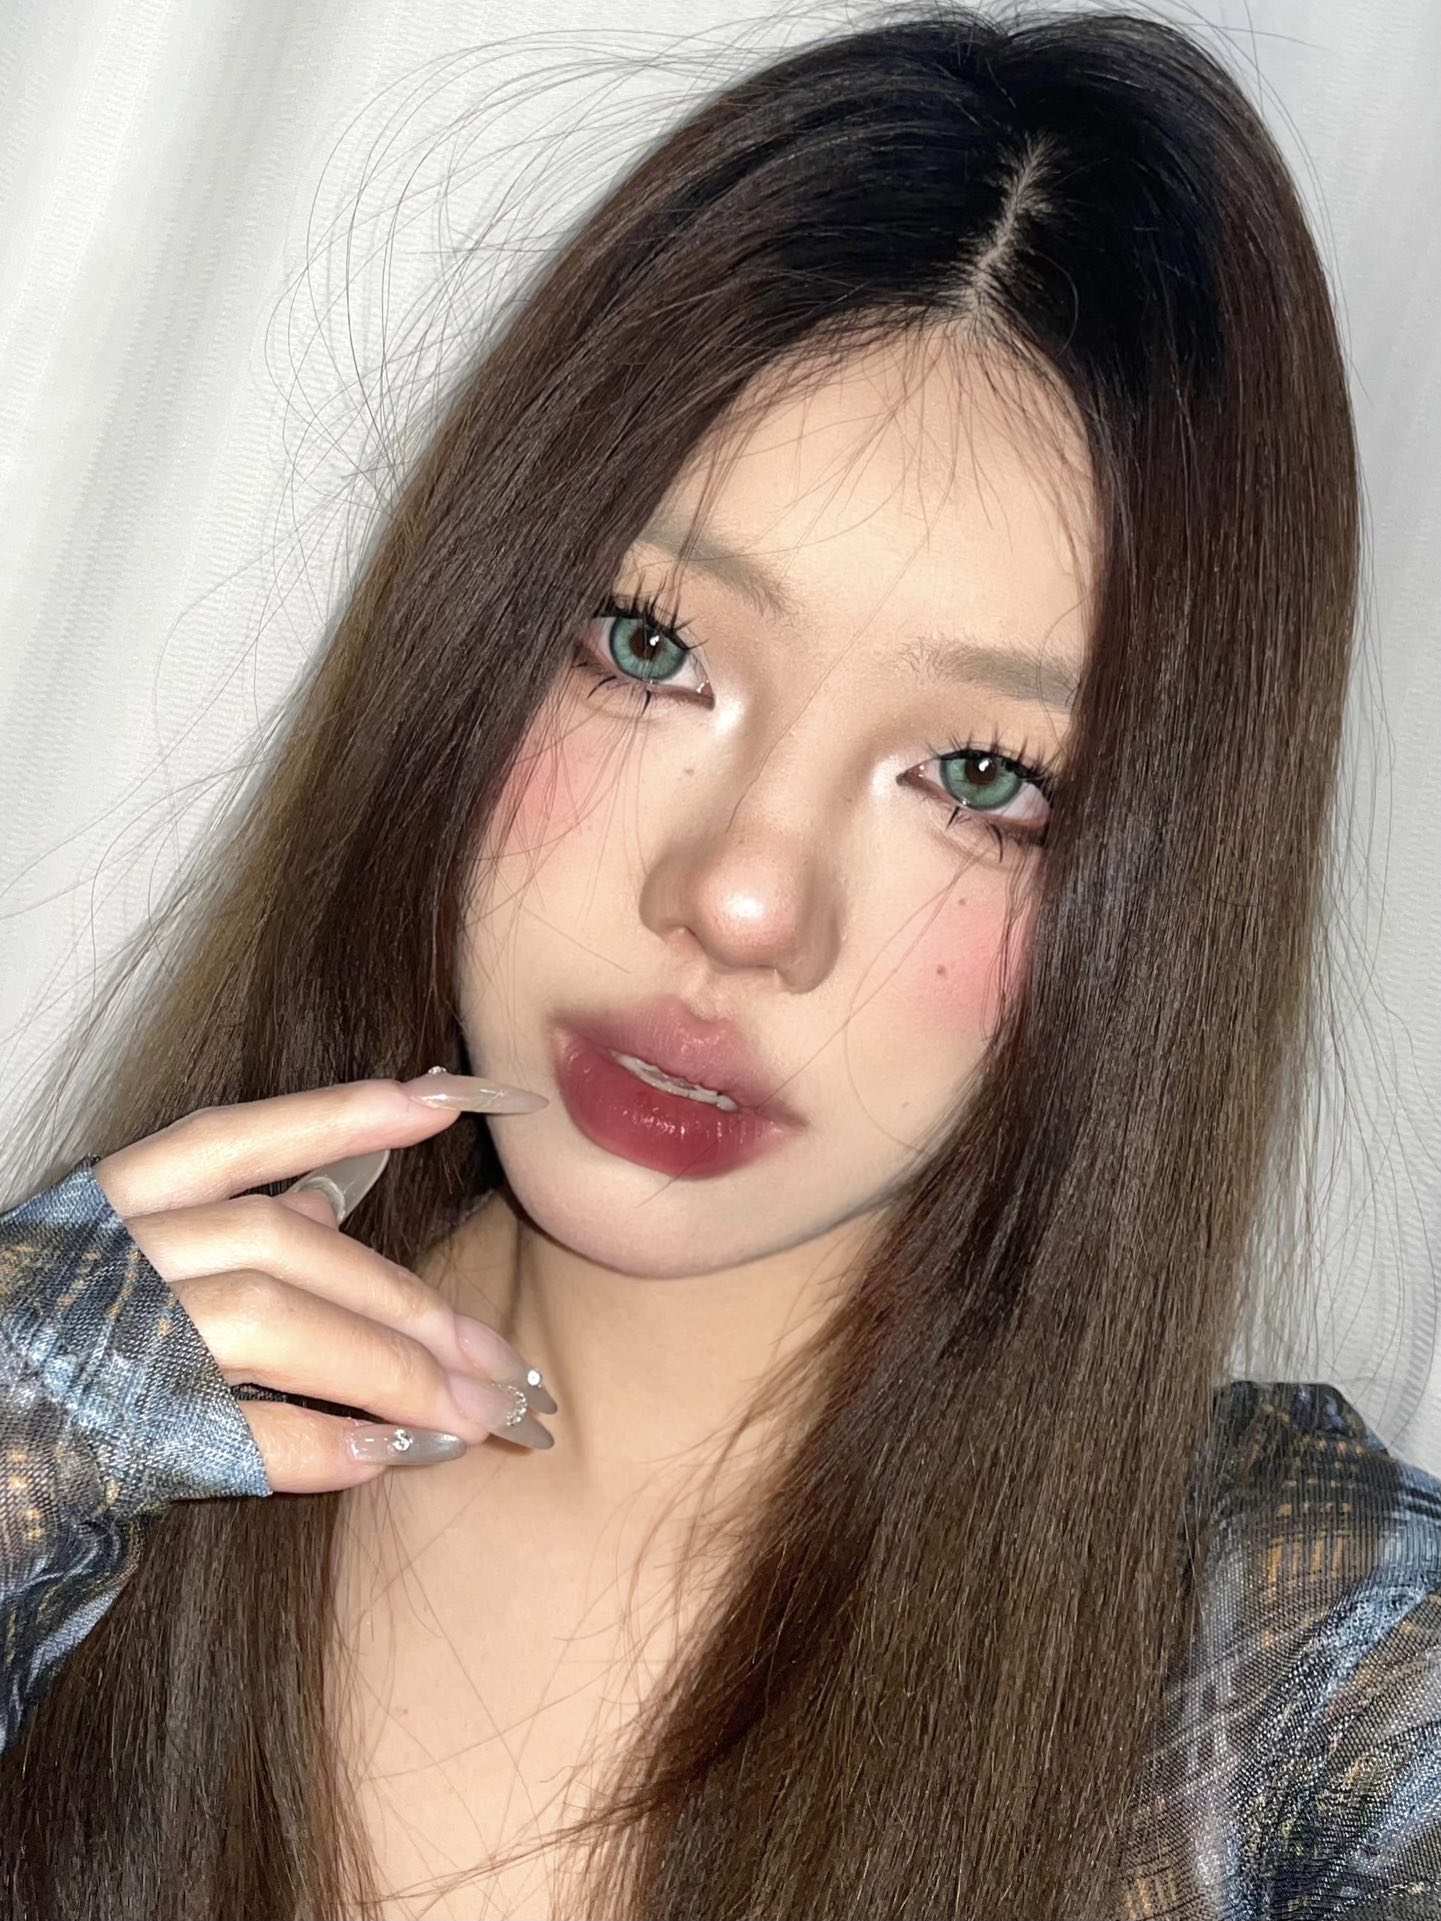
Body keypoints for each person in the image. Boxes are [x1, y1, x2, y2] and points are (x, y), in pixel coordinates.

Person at [1, 7, 1438, 1917]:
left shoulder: (1307, 1677)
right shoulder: (69, 1469)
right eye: (651, 649)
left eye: (981, 776)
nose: (744, 898)